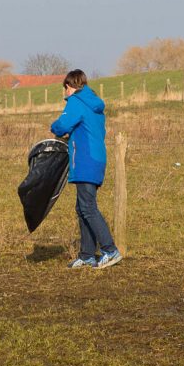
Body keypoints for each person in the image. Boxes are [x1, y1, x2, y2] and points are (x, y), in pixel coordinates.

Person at [50, 70, 122, 269]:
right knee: (82, 207)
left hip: (85, 160)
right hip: (97, 159)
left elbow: (62, 125)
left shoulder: (76, 101)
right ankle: (87, 255)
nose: (63, 92)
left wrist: (54, 127)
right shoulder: (95, 105)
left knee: (88, 207)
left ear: (69, 86)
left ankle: (110, 250)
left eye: (64, 88)